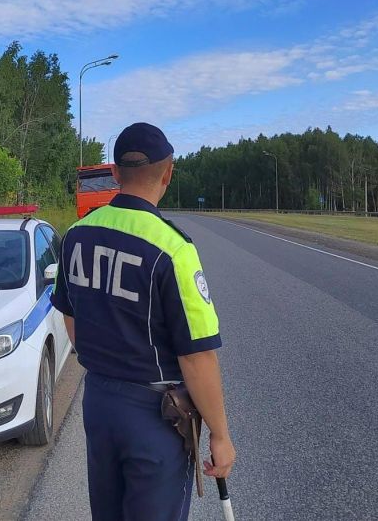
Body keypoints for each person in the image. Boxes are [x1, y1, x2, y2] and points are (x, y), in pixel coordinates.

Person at [51, 122, 235, 521]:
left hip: (99, 402)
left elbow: (69, 312)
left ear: (114, 173)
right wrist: (220, 435)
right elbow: (197, 357)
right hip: (155, 416)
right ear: (167, 173)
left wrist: (105, 358)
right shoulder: (174, 249)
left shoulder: (77, 235)